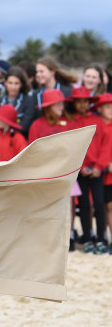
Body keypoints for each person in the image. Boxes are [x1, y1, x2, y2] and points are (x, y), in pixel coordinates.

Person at [67, 86, 110, 254]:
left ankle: (101, 238)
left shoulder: (98, 121)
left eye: (85, 101)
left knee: (99, 204)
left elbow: (106, 146)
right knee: (84, 205)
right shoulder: (72, 121)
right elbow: (72, 146)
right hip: (80, 171)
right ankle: (87, 239)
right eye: (79, 101)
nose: (83, 104)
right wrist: (80, 166)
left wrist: (100, 166)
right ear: (74, 103)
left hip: (97, 171)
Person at [0, 67, 36, 135]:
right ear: (5, 83)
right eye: (10, 83)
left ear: (21, 84)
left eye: (16, 83)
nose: (13, 87)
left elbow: (25, 125)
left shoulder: (28, 101)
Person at [94, 93, 112, 253]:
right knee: (104, 206)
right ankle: (104, 238)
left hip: (109, 172)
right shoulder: (97, 126)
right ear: (99, 109)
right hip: (102, 174)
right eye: (107, 106)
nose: (110, 109)